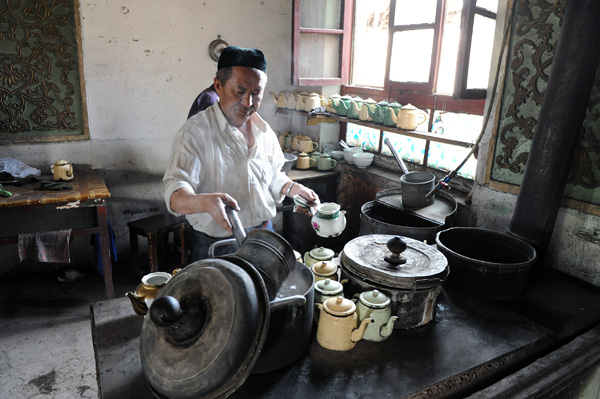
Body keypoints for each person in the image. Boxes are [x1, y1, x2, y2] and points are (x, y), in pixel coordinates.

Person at [163, 46, 319, 262]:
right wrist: (204, 202)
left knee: (267, 294)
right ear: (218, 86)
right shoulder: (194, 133)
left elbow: (272, 176)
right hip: (217, 244)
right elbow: (175, 194)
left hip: (264, 236)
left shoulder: (264, 132)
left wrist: (294, 189)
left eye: (256, 93)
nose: (248, 103)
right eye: (239, 91)